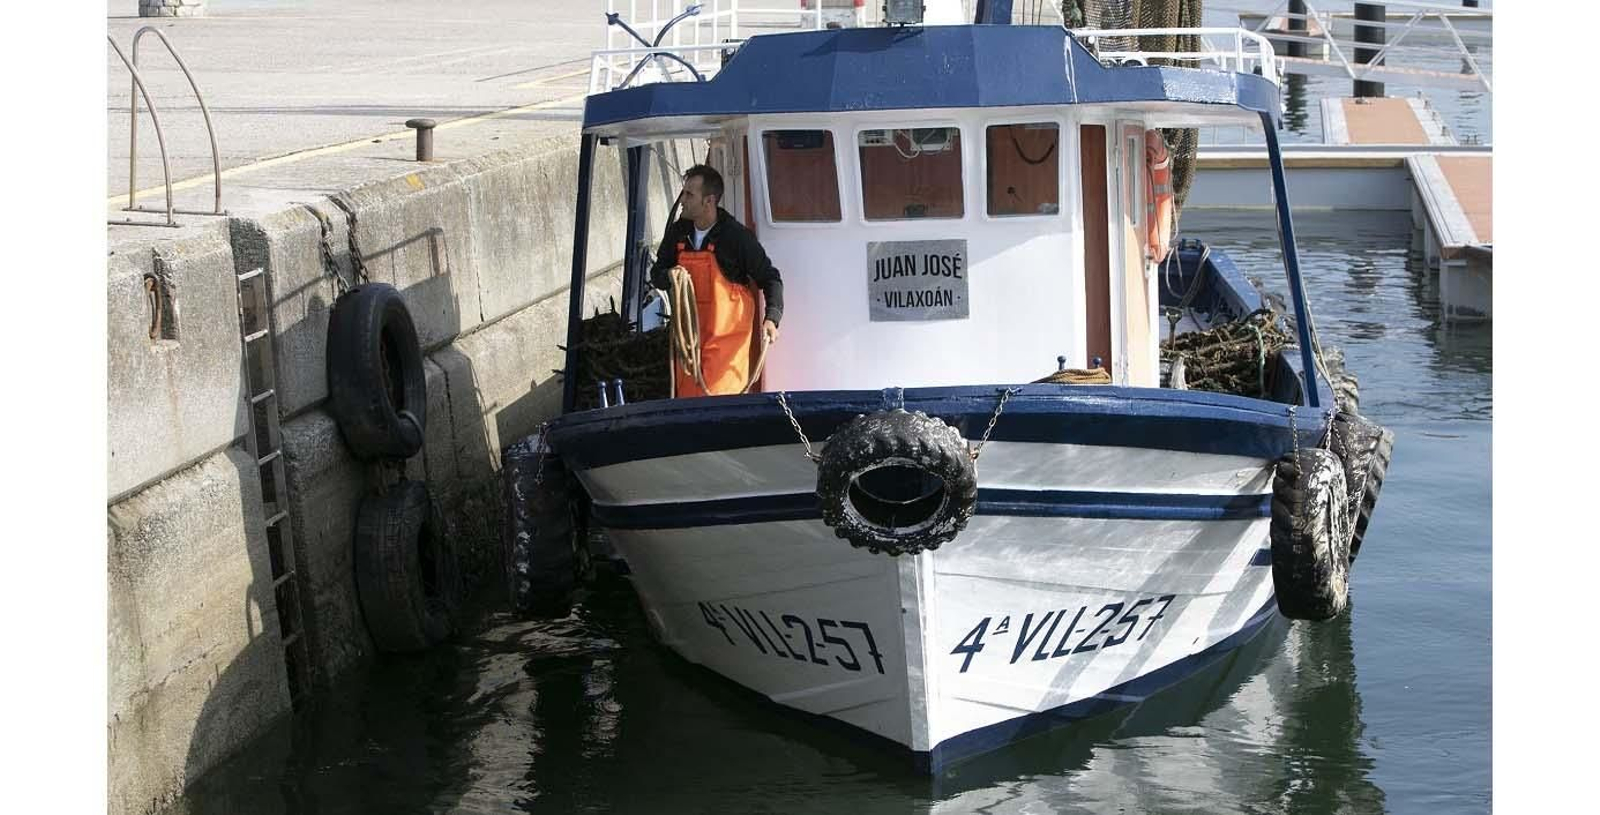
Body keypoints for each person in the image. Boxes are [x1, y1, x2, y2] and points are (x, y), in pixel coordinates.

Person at [650, 164, 784, 397]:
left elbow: (770, 278)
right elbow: (657, 274)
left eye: (689, 195)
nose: (682, 200)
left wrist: (772, 318)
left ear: (709, 201)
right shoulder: (678, 233)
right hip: (688, 350)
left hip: (725, 352)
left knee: (716, 403)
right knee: (688, 406)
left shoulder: (737, 237)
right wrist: (670, 276)